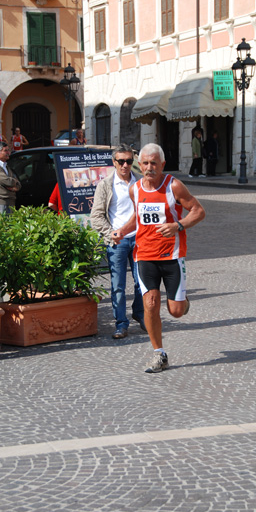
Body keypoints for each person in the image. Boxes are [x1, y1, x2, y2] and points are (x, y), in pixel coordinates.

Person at [113, 143, 205, 372]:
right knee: (150, 304)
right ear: (139, 165)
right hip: (144, 256)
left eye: (154, 163)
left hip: (172, 256)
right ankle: (159, 354)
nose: (149, 167)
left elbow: (198, 211)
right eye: (144, 163)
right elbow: (138, 217)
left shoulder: (174, 186)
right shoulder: (135, 189)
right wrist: (122, 231)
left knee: (175, 311)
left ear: (162, 164)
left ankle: (182, 304)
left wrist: (178, 225)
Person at [90, 143, 145, 339]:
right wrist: (110, 233)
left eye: (129, 161)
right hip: (118, 242)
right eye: (121, 161)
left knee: (143, 283)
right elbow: (96, 216)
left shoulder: (140, 183)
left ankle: (140, 314)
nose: (125, 165)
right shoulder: (105, 185)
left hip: (139, 239)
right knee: (118, 286)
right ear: (114, 162)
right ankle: (121, 323)